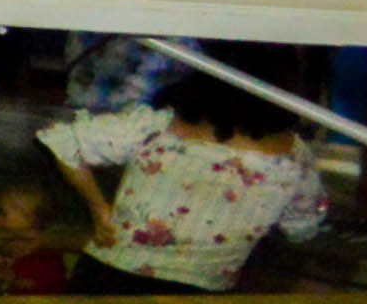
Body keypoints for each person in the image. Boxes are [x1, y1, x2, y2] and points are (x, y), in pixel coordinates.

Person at [39, 68, 330, 291]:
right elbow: (301, 226)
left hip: (107, 276)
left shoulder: (156, 127)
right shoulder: (294, 156)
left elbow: (64, 141)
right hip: (202, 293)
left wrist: (100, 210)